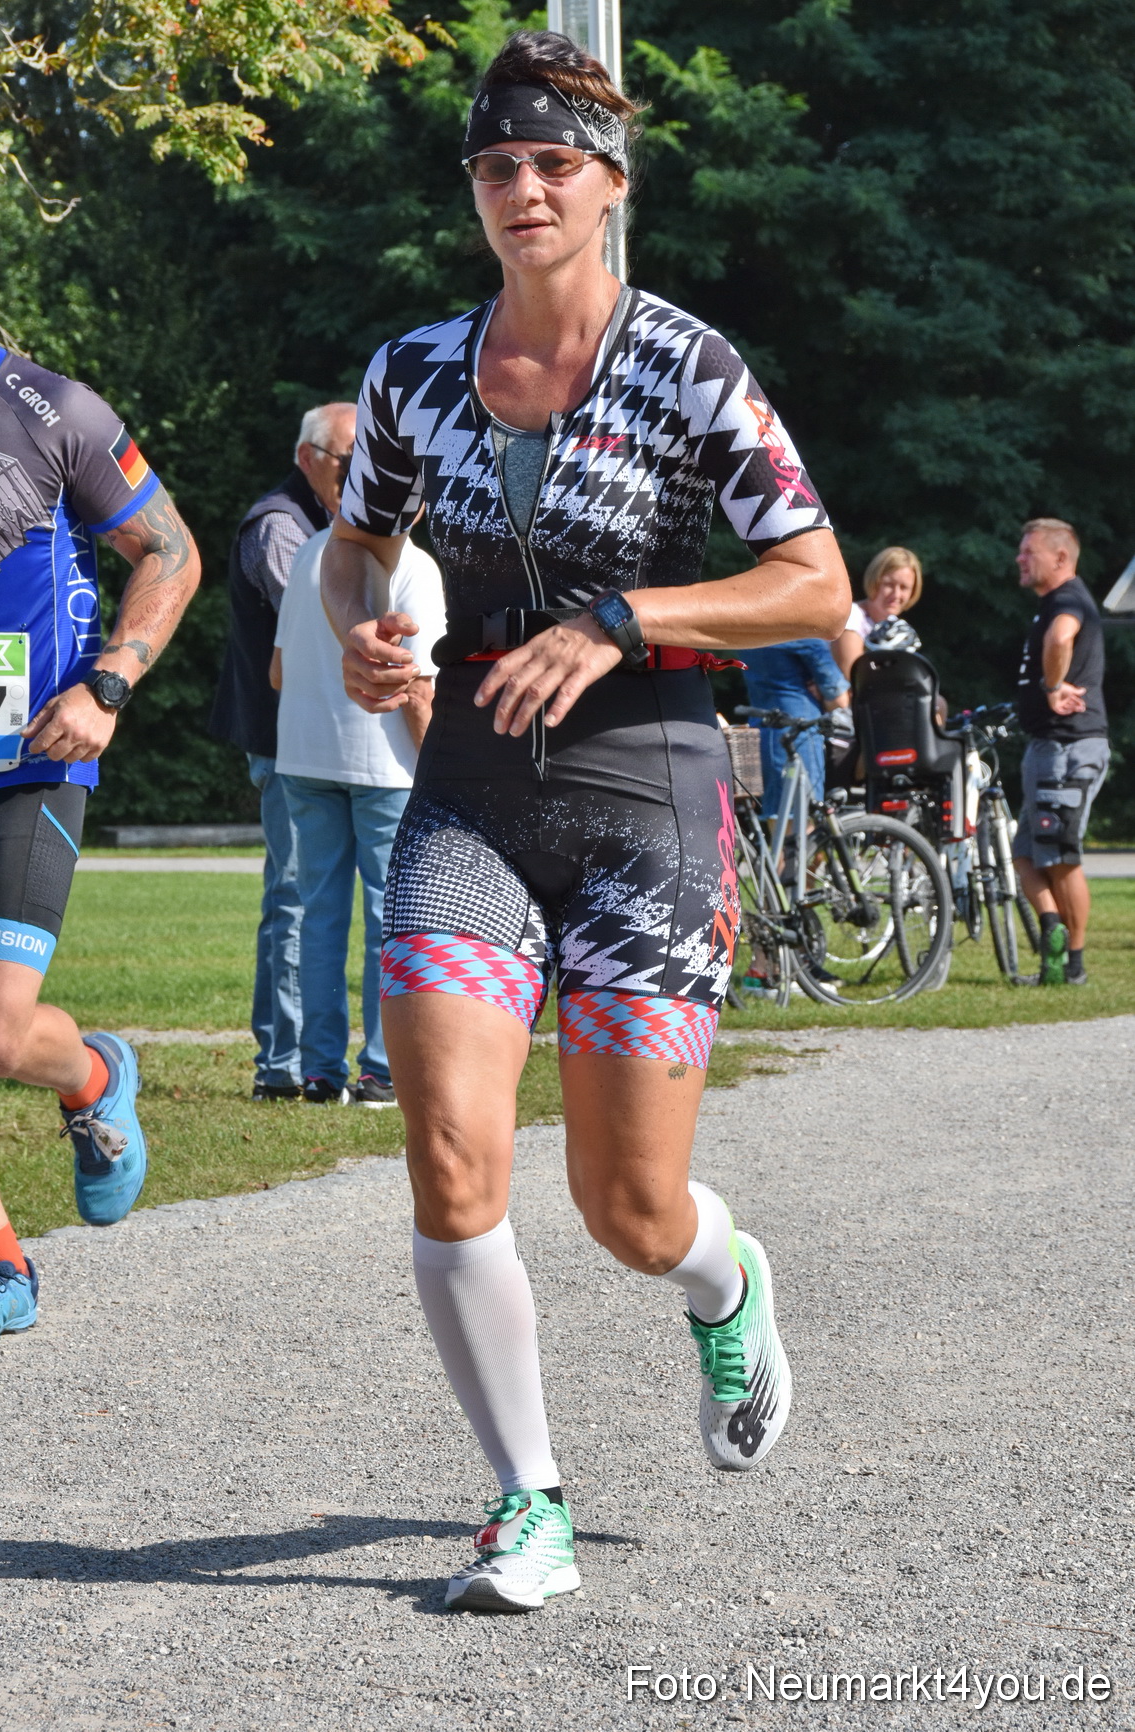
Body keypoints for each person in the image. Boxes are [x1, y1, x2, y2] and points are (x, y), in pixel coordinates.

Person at [322, 29, 849, 1615]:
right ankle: (521, 1499)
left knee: (626, 1211)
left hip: (648, 801)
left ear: (608, 187)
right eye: (497, 167)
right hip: (469, 798)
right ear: (473, 193)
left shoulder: (689, 367)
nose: (523, 189)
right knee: (449, 1154)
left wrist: (622, 617)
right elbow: (359, 545)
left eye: (553, 163)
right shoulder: (413, 369)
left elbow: (812, 584)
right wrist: (361, 618)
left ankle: (722, 1277)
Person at [0, 218, 200, 1342]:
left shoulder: (52, 409)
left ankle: (94, 1075)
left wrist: (108, 683)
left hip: (31, 757)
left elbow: (170, 550)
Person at [209, 403, 357, 1100]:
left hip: (325, 740)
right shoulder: (280, 526)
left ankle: (300, 1059)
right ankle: (285, 1064)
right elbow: (320, 627)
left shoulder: (333, 524)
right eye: (348, 460)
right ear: (308, 459)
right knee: (295, 894)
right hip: (287, 741)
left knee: (312, 896)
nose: (364, 474)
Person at [270, 523, 445, 1105]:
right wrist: (442, 771)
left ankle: (319, 1071)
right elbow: (418, 689)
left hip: (303, 752)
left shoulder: (307, 556)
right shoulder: (413, 565)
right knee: (388, 919)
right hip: (385, 764)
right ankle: (380, 1070)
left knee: (318, 916)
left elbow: (277, 670)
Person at [1012, 517, 1108, 986]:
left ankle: (1073, 964)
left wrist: (1052, 686)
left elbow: (1060, 638)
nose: (1020, 559)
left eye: (1029, 552)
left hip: (1069, 746)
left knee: (1061, 855)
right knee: (1025, 854)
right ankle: (1051, 927)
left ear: (1061, 558)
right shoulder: (1053, 602)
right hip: (1047, 745)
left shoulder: (1068, 599)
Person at [741, 638, 849, 817]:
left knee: (776, 814)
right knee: (803, 814)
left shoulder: (749, 628)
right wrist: (821, 693)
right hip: (798, 731)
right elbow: (839, 699)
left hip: (762, 729)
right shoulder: (802, 634)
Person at [831, 544, 923, 679]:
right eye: (889, 585)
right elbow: (856, 677)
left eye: (904, 588)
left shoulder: (899, 630)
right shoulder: (852, 617)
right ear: (874, 581)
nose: (896, 595)